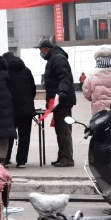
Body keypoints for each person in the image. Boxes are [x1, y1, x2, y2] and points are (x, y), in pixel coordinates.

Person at [38, 39, 76, 167]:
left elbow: (64, 77)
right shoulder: (53, 58)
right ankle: (62, 156)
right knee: (60, 130)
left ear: (45, 49)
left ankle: (67, 158)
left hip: (62, 101)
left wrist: (61, 94)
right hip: (58, 100)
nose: (40, 53)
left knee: (64, 130)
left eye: (40, 50)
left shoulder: (58, 58)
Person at [3, 51, 37, 169]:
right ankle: (21, 161)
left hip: (11, 109)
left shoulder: (6, 72)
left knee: (9, 135)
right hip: (27, 109)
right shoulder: (26, 70)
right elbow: (33, 89)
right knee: (25, 136)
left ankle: (6, 159)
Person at [81, 47, 111, 129]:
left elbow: (87, 94)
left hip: (99, 113)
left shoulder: (91, 76)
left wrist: (96, 99)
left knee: (100, 135)